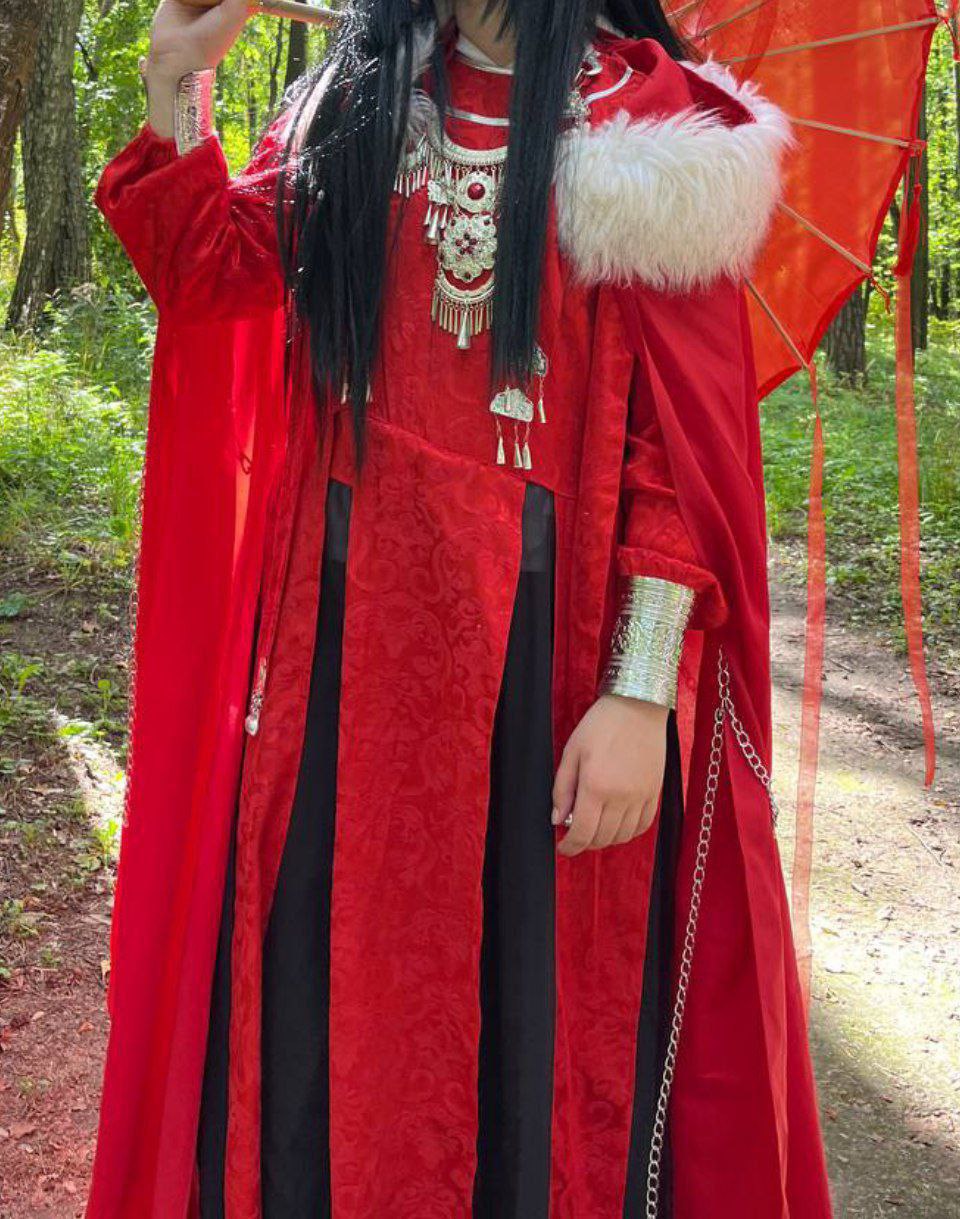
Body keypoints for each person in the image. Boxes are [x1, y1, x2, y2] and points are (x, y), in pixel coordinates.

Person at [86, 1, 833, 1215]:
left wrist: (641, 694)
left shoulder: (655, 135)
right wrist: (177, 80)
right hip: (344, 656)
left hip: (547, 670)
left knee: (531, 1045)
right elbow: (207, 273)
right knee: (319, 1022)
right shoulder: (358, 101)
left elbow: (675, 467)